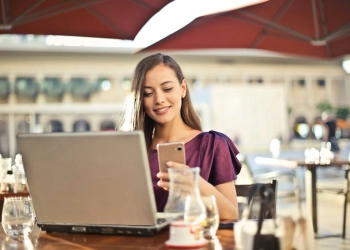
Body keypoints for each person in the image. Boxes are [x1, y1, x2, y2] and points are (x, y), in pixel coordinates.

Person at [121, 53, 241, 220]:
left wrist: (195, 184)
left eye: (167, 89)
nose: (159, 99)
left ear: (183, 88)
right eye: (148, 93)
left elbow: (232, 214)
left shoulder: (213, 144)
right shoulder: (131, 150)